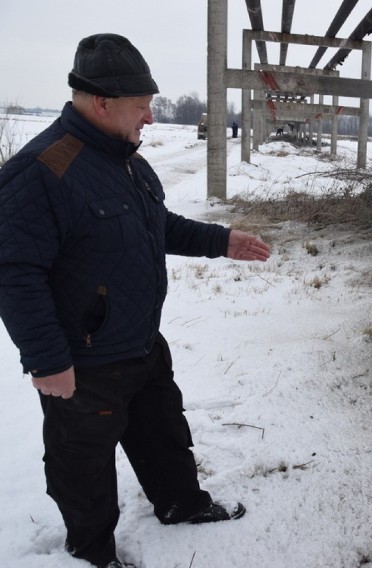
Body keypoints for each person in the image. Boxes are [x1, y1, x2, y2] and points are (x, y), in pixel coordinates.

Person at [0, 34, 271, 568]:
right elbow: (14, 272)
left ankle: (180, 504)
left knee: (164, 433)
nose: (150, 116)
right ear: (102, 102)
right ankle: (92, 552)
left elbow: (156, 224)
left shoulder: (126, 158)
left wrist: (220, 241)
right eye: (142, 106)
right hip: (86, 361)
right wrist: (47, 361)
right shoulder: (42, 171)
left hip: (142, 341)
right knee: (85, 467)